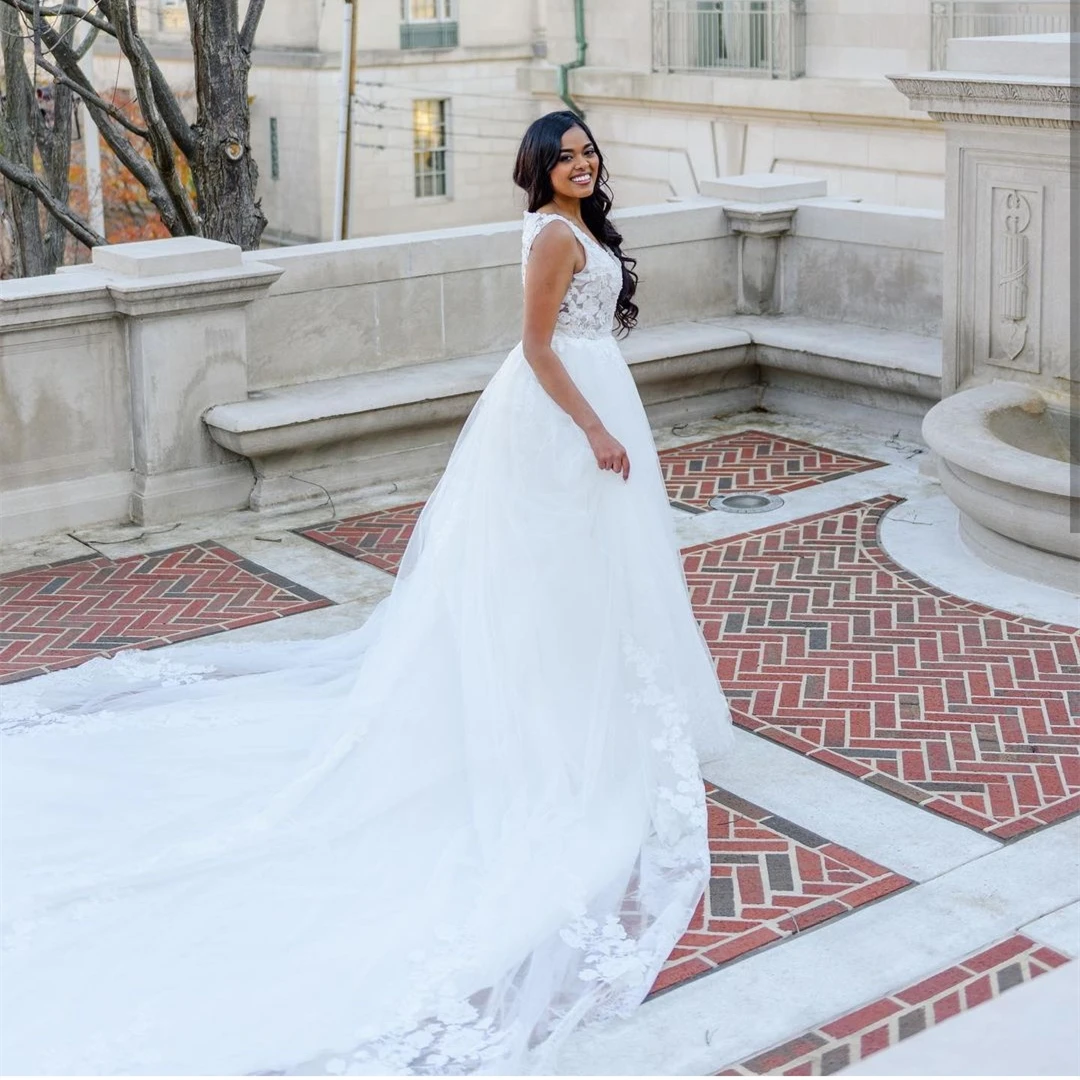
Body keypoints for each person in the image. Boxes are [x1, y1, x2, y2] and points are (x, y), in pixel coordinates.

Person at [0, 111, 732, 1076]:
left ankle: (590, 710)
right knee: (552, 579)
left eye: (588, 151)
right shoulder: (554, 234)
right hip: (565, 414)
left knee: (586, 583)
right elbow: (540, 347)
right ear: (539, 170)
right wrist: (597, 432)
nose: (583, 163)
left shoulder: (584, 223)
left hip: (590, 402)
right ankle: (553, 733)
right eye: (566, 156)